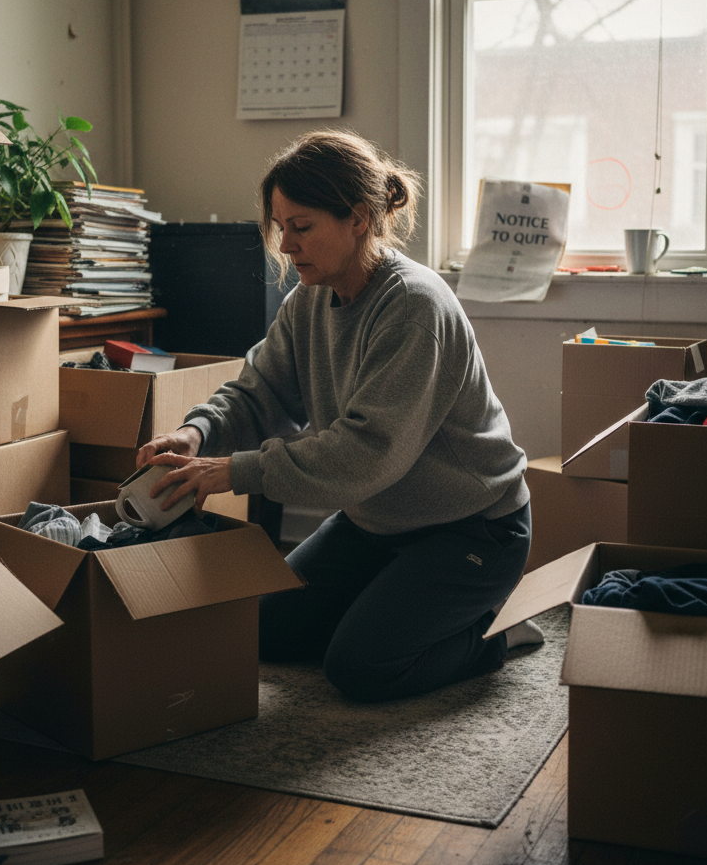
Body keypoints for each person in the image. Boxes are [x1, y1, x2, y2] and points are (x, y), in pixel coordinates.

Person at [135, 129, 540, 703]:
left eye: (301, 227)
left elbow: (366, 453)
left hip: (472, 528)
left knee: (361, 667)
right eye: (280, 227)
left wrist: (233, 472)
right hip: (376, 522)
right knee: (262, 631)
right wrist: (195, 434)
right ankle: (395, 606)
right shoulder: (309, 300)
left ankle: (496, 630)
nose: (286, 245)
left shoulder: (414, 307)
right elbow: (259, 392)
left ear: (358, 218)